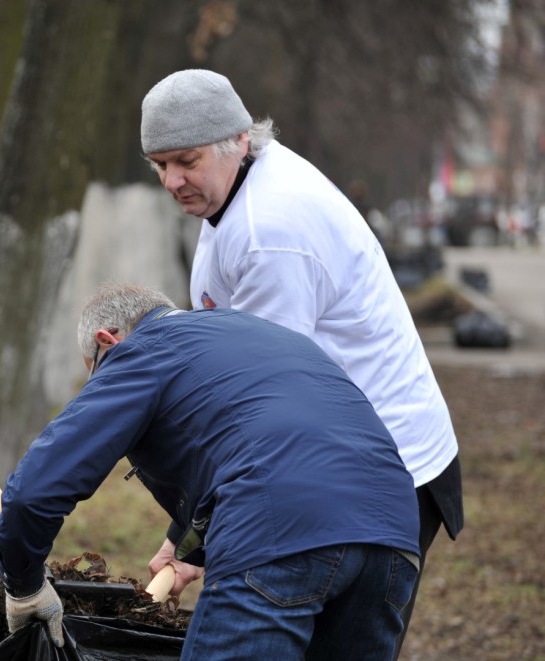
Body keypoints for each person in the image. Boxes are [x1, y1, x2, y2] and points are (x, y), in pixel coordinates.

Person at [140, 69, 463, 656]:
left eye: (184, 160)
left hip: (390, 467)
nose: (171, 180)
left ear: (237, 139)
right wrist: (194, 538)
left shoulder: (272, 232)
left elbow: (265, 409)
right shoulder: (239, 187)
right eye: (159, 165)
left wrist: (194, 537)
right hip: (334, 456)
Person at [0, 284, 420, 658]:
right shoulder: (254, 334)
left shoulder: (141, 350)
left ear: (107, 341)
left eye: (94, 369)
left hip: (280, 525)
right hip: (394, 529)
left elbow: (33, 492)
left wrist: (25, 587)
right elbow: (266, 439)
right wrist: (182, 547)